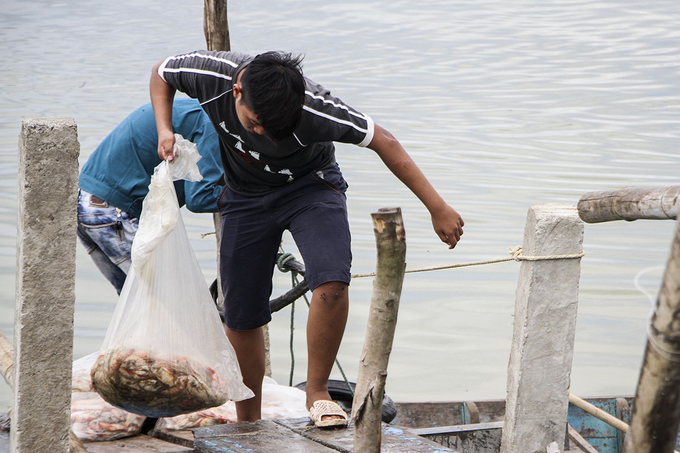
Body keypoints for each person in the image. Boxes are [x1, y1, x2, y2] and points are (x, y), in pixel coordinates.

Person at [149, 50, 464, 427]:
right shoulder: (209, 75)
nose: (262, 133)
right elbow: (161, 72)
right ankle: (248, 419)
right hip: (244, 197)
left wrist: (437, 207)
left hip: (310, 189)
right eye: (256, 124)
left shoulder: (318, 109)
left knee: (331, 280)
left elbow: (385, 142)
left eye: (275, 127)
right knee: (241, 313)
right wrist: (164, 128)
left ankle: (317, 393)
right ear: (236, 92)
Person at [78, 99, 224, 294]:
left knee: (137, 308)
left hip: (86, 205)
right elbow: (199, 198)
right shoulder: (214, 124)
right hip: (113, 212)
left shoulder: (197, 109)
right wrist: (255, 201)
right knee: (172, 303)